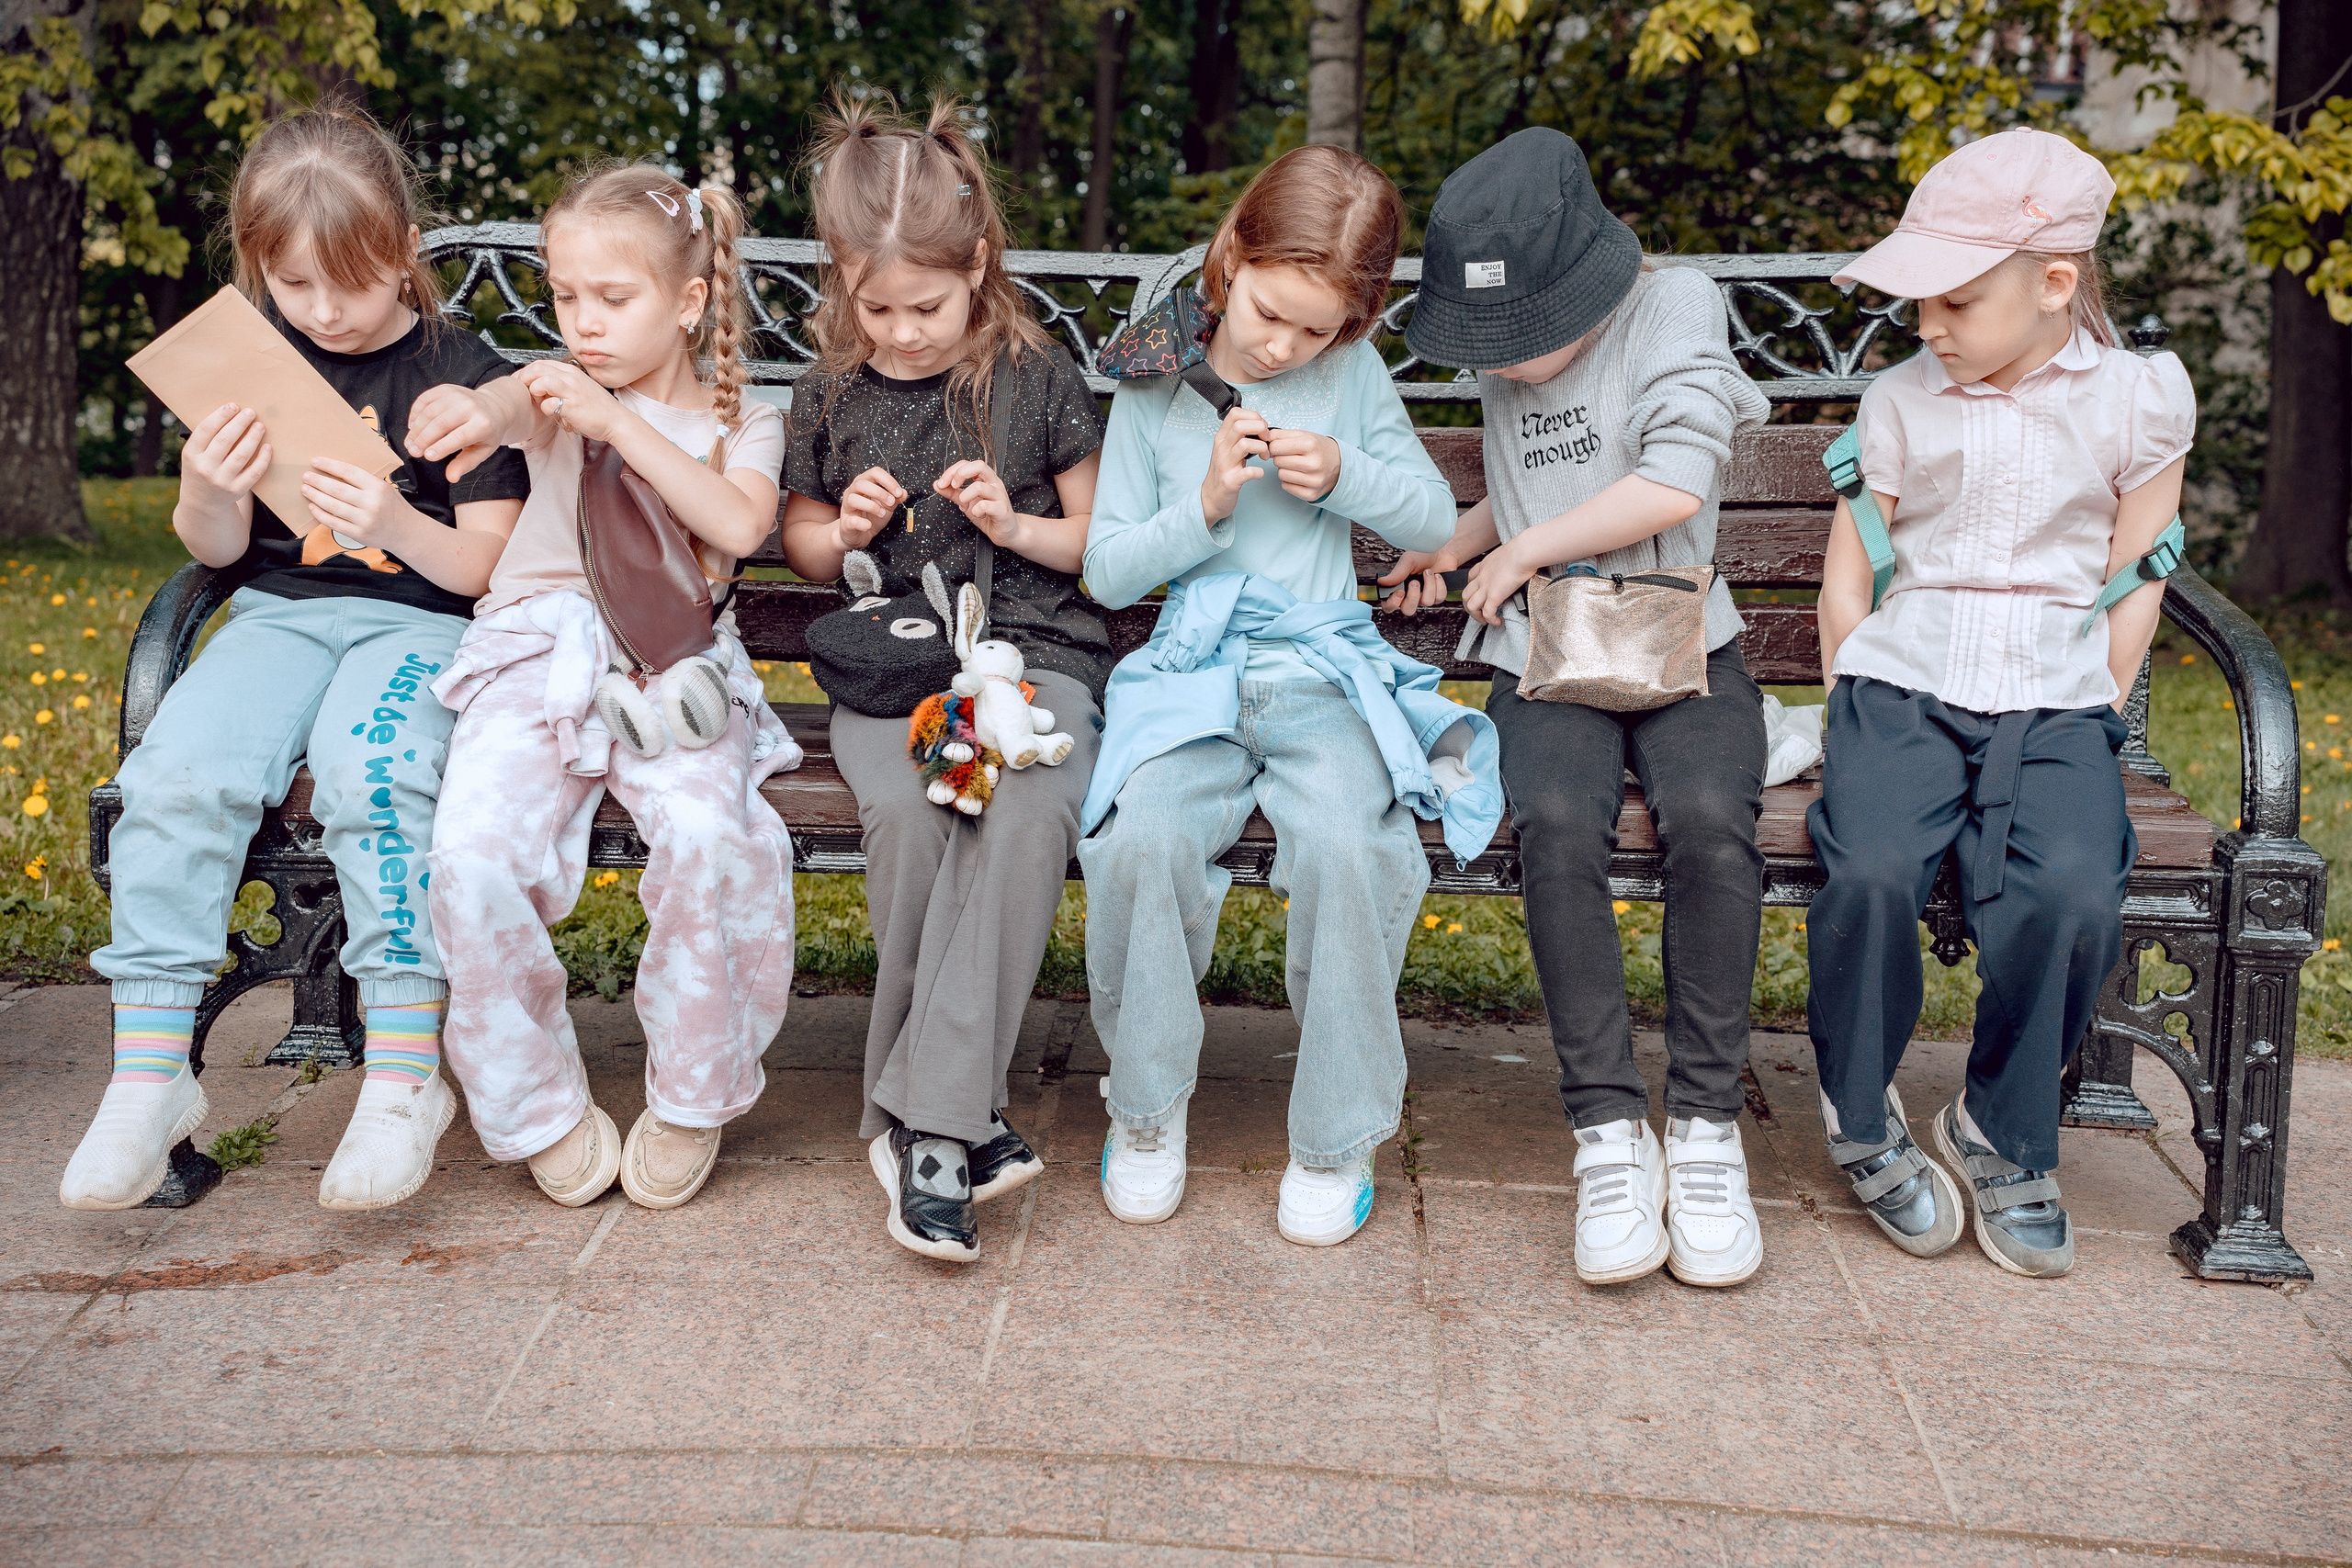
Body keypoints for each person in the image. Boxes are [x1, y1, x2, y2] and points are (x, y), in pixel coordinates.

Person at [62, 100, 528, 1213]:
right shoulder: (251, 363)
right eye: (295, 286)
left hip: (419, 625)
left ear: (405, 254)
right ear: (258, 267)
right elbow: (217, 552)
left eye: (351, 284)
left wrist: (392, 521)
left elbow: (481, 571)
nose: (324, 313)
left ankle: (406, 1073)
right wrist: (207, 486)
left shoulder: (459, 377)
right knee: (173, 777)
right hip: (274, 618)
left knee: (375, 777)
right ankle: (149, 1075)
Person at [1080, 146, 1499, 1249]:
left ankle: (1334, 1137)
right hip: (1192, 669)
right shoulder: (1159, 376)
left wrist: (1347, 478)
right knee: (1140, 840)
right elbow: (1107, 569)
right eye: (1271, 314)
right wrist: (1207, 505)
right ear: (1234, 254)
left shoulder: (1349, 379)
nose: (1282, 346)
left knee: (1357, 852)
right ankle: (1146, 1110)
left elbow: (1425, 515)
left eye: (1315, 331)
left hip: (1321, 668)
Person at [1385, 129, 1771, 1288]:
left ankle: (1704, 1128)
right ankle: (1608, 1132)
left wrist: (1527, 553)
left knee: (1708, 817)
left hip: (1681, 638)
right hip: (1545, 651)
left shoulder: (1676, 307)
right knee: (1554, 824)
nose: (1505, 360)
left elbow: (1673, 482)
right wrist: (1456, 555)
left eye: (1522, 334)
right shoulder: (1511, 350)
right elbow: (1521, 494)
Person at [1804, 128, 2192, 1278]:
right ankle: (1860, 1110)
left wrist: (2098, 707)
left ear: (2054, 286)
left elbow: (2139, 572)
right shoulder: (1900, 400)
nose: (1928, 324)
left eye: (1955, 301)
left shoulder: (2136, 401)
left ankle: (2002, 1128)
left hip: (2056, 691)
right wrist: (1847, 691)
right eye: (1919, 302)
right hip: (1904, 676)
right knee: (1869, 867)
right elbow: (1848, 569)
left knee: (2072, 885)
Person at [403, 164, 798, 1213]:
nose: (583, 324)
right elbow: (500, 402)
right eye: (566, 296)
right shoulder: (552, 392)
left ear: (687, 301)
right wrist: (467, 403)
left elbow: (740, 527)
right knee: (473, 851)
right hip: (536, 654)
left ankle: (692, 1091)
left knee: (715, 841)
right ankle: (534, 1103)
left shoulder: (745, 423)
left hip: (674, 673)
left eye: (612, 300)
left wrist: (617, 423)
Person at [777, 93, 1108, 1264]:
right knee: (917, 819)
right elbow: (807, 548)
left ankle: (922, 1127)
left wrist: (1015, 527)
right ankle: (961, 1121)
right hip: (893, 669)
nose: (903, 331)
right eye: (876, 307)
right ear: (841, 284)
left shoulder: (1037, 377)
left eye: (926, 304)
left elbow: (1099, 550)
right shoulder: (831, 391)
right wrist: (844, 529)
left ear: (976, 266)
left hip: (1032, 658)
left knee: (1016, 808)